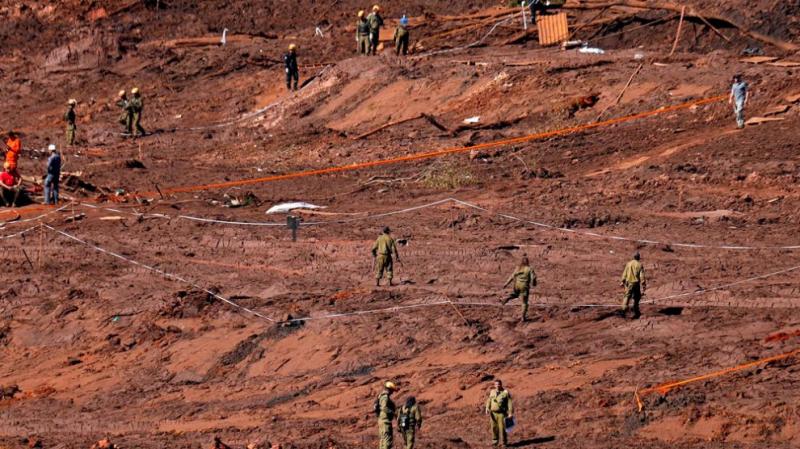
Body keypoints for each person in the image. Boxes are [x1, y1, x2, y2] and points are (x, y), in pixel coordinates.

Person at [502, 255, 537, 322]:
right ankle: (523, 317)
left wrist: (506, 284)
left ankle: (507, 298)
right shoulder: (529, 269)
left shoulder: (518, 268)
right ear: (528, 262)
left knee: (515, 294)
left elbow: (512, 276)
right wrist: (533, 283)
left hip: (516, 285)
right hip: (524, 286)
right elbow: (533, 278)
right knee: (524, 302)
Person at [485, 379, 513, 448]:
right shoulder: (492, 392)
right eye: (496, 384)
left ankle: (504, 443)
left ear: (501, 384)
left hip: (501, 414)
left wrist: (510, 413)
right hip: (493, 414)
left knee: (502, 429)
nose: (497, 385)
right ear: (494, 385)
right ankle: (495, 442)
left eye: (499, 384)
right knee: (494, 428)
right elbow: (489, 400)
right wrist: (487, 408)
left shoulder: (505, 392)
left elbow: (509, 403)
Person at [620, 252, 646, 319]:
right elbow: (642, 276)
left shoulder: (628, 264)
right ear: (638, 257)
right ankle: (636, 311)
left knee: (626, 297)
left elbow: (624, 273)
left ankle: (623, 310)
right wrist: (643, 285)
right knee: (637, 297)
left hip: (628, 284)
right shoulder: (639, 265)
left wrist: (622, 281)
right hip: (636, 284)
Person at [375, 381, 398, 449]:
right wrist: (392, 413)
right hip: (385, 421)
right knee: (387, 441)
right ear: (389, 389)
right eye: (392, 391)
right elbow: (384, 407)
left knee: (382, 440)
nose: (392, 392)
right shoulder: (385, 397)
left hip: (382, 420)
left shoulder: (381, 396)